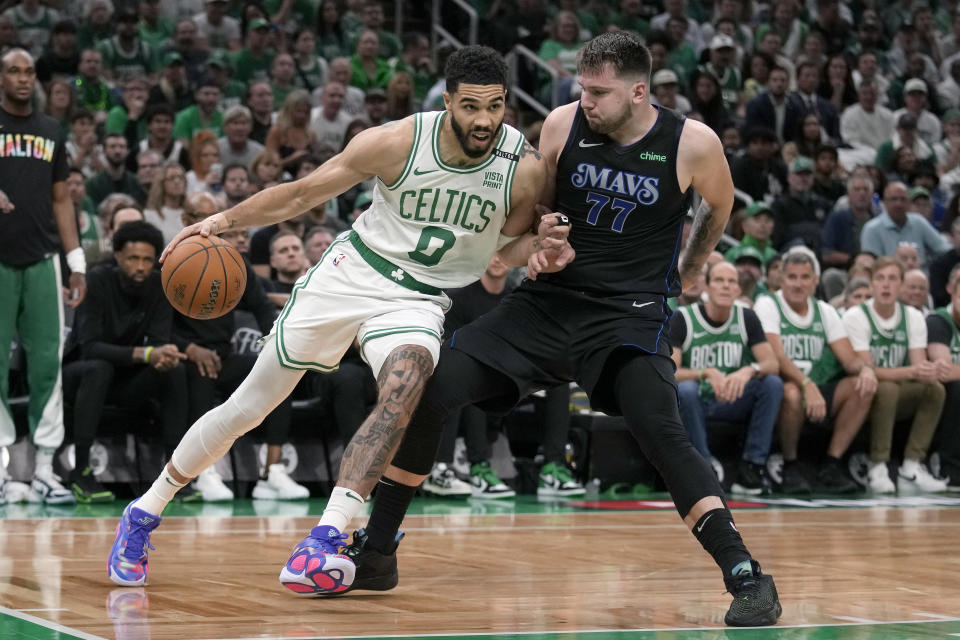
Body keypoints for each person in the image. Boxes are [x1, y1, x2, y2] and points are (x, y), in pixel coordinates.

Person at [343, 32, 782, 627]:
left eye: (599, 92)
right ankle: (377, 552)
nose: (587, 101)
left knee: (660, 427)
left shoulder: (691, 143)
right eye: (582, 88)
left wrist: (695, 263)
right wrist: (540, 246)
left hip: (629, 313)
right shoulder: (561, 125)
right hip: (547, 305)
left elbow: (719, 205)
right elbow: (539, 215)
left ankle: (745, 575)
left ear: (638, 91)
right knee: (433, 386)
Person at [106, 45, 569, 592]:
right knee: (248, 409)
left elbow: (502, 253)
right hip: (351, 275)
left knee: (407, 380)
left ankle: (324, 539)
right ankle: (145, 510)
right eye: (471, 106)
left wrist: (536, 247)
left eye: (495, 106)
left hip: (418, 299)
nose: (484, 120)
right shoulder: (397, 142)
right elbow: (300, 195)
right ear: (447, 102)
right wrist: (220, 221)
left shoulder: (524, 168)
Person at [0, 48, 86, 504]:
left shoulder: (51, 131)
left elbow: (61, 200)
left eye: (27, 71)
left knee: (47, 366)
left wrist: (76, 261)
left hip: (42, 259)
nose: (21, 78)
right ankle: (2, 470)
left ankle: (45, 469)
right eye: (12, 70)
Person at [64, 221, 189, 503]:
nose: (141, 267)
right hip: (81, 374)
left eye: (147, 260)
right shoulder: (97, 281)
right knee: (100, 368)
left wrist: (163, 356)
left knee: (175, 371)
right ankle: (81, 472)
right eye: (133, 258)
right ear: (118, 255)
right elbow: (90, 346)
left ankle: (175, 474)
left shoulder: (159, 285)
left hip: (125, 379)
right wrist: (146, 355)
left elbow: (158, 339)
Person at [754, 251, 877, 494]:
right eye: (792, 277)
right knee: (790, 392)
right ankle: (790, 464)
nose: (798, 283)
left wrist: (866, 370)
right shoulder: (768, 304)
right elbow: (777, 357)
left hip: (818, 387)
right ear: (781, 278)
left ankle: (832, 464)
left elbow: (849, 358)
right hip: (783, 385)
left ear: (815, 281)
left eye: (804, 277)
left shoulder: (825, 311)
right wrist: (806, 384)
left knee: (861, 387)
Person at [672, 261, 782, 495]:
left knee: (772, 384)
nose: (725, 286)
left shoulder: (747, 318)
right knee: (687, 389)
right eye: (719, 281)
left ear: (738, 290)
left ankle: (752, 466)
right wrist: (705, 373)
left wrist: (748, 370)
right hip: (697, 402)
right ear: (707, 287)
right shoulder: (683, 318)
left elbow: (772, 364)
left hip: (732, 399)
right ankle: (704, 465)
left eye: (731, 282)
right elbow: (670, 372)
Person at [842, 257, 947, 493]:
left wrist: (931, 371)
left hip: (897, 391)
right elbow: (867, 368)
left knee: (935, 389)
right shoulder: (856, 316)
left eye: (892, 279)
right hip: (860, 392)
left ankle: (912, 466)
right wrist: (913, 371)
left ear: (901, 285)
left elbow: (919, 365)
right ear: (871, 285)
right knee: (886, 388)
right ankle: (878, 466)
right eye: (880, 279)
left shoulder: (913, 316)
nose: (886, 285)